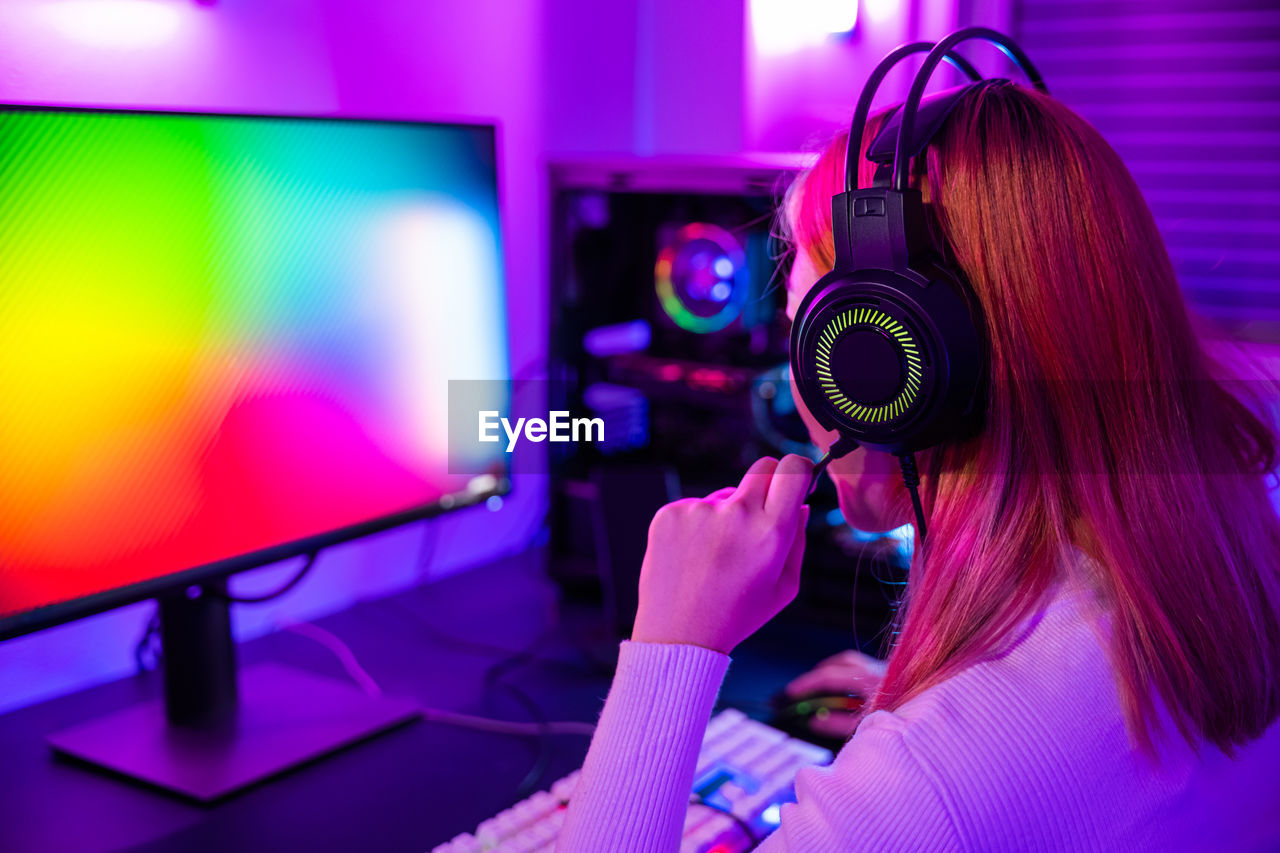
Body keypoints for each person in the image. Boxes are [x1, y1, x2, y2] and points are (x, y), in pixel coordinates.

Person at [555, 81, 1280, 851]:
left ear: (889, 373)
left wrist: (671, 646)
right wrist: (929, 702)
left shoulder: (930, 785)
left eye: (809, 330)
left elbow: (972, 781)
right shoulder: (1232, 558)